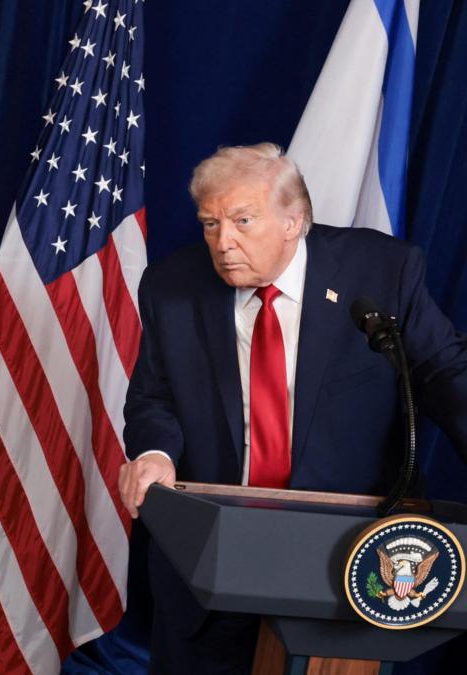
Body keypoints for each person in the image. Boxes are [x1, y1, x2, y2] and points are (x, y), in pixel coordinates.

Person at [118, 143, 467, 673]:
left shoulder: (382, 272)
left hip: (346, 554)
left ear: (293, 221)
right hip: (214, 548)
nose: (223, 242)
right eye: (210, 224)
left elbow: (445, 373)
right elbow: (154, 395)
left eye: (242, 221)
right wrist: (155, 452)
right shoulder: (172, 286)